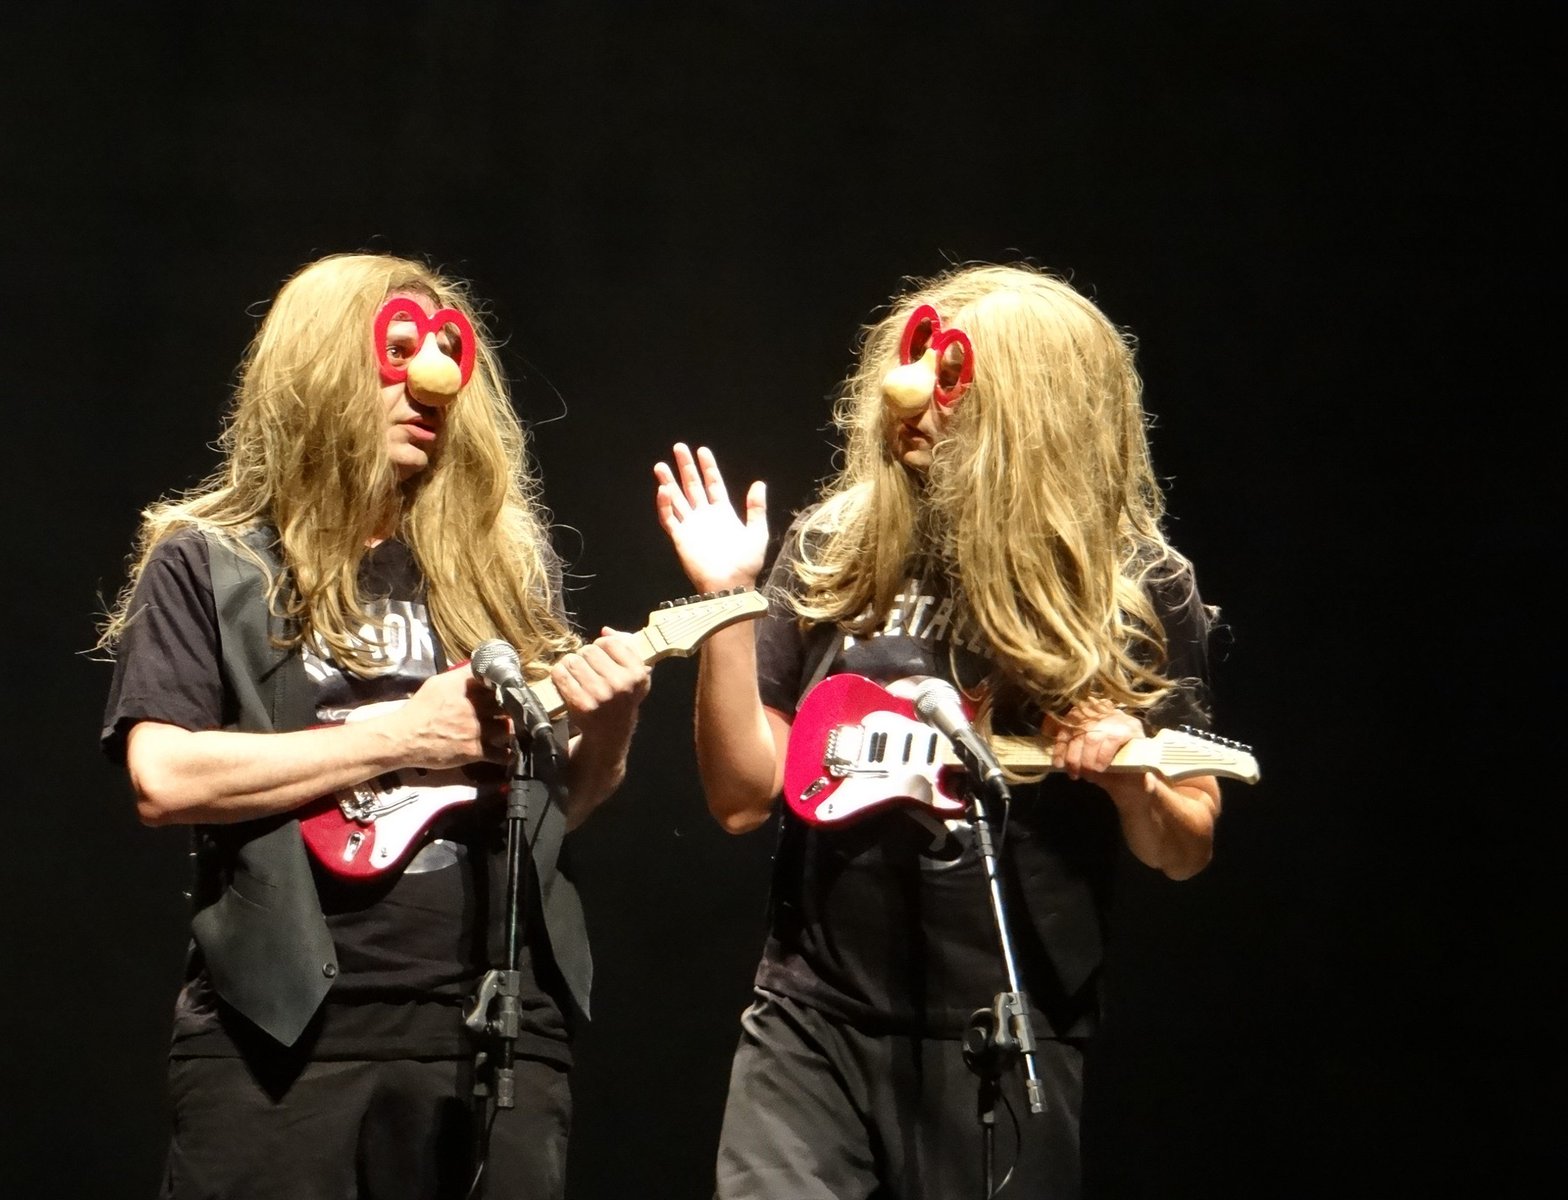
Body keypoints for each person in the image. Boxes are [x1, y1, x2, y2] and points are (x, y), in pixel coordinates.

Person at [654, 262, 1227, 1199]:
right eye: (911, 363)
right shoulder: (837, 547)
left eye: (951, 376)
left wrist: (1133, 782)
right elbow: (743, 798)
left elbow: (1186, 844)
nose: (908, 397)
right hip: (813, 1020)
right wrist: (727, 603)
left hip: (1003, 1036)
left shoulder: (1137, 586)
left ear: (1035, 409)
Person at [98, 251, 652, 1200]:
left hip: (493, 1034)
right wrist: (400, 737)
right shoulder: (211, 563)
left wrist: (611, 726)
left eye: (445, 355)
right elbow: (164, 778)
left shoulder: (500, 577)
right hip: (281, 1039)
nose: (429, 383)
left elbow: (560, 812)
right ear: (322, 370)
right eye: (397, 353)